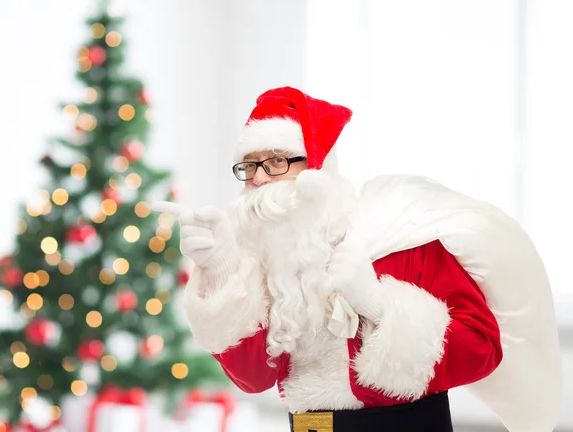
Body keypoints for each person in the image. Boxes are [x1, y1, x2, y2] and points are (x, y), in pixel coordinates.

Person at [154, 87, 561, 432]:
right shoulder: (264, 259)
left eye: (276, 161)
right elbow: (253, 377)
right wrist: (222, 271)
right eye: (249, 166)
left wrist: (381, 306)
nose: (258, 178)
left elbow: (482, 350)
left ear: (317, 167)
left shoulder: (397, 237)